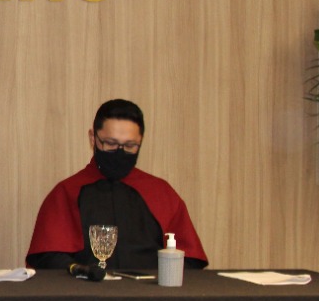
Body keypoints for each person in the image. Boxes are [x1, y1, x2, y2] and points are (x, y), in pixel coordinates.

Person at [26, 98, 207, 271]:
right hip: (85, 290)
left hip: (150, 290)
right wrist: (81, 272)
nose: (120, 152)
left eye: (130, 145)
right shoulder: (67, 192)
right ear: (93, 138)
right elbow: (47, 258)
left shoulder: (161, 193)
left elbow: (189, 260)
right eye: (110, 143)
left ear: (141, 141)